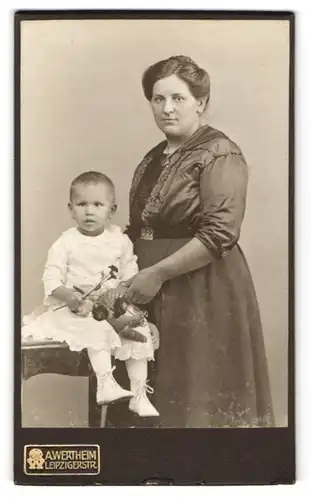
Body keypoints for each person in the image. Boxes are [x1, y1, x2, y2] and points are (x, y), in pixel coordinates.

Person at [119, 55, 274, 427]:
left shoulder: (221, 152)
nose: (167, 108)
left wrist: (156, 274)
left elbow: (219, 232)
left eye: (178, 98)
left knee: (194, 396)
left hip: (201, 287)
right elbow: (140, 226)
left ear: (200, 102)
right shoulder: (154, 157)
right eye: (158, 99)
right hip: (148, 287)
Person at [22, 171, 159, 418]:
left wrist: (121, 294)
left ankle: (138, 395)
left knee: (140, 333)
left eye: (98, 205)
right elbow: (51, 279)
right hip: (76, 308)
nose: (89, 211)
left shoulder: (120, 241)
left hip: (110, 305)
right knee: (97, 327)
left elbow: (131, 271)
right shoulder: (66, 243)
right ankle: (105, 383)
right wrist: (72, 297)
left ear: (111, 209)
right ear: (71, 208)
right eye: (81, 204)